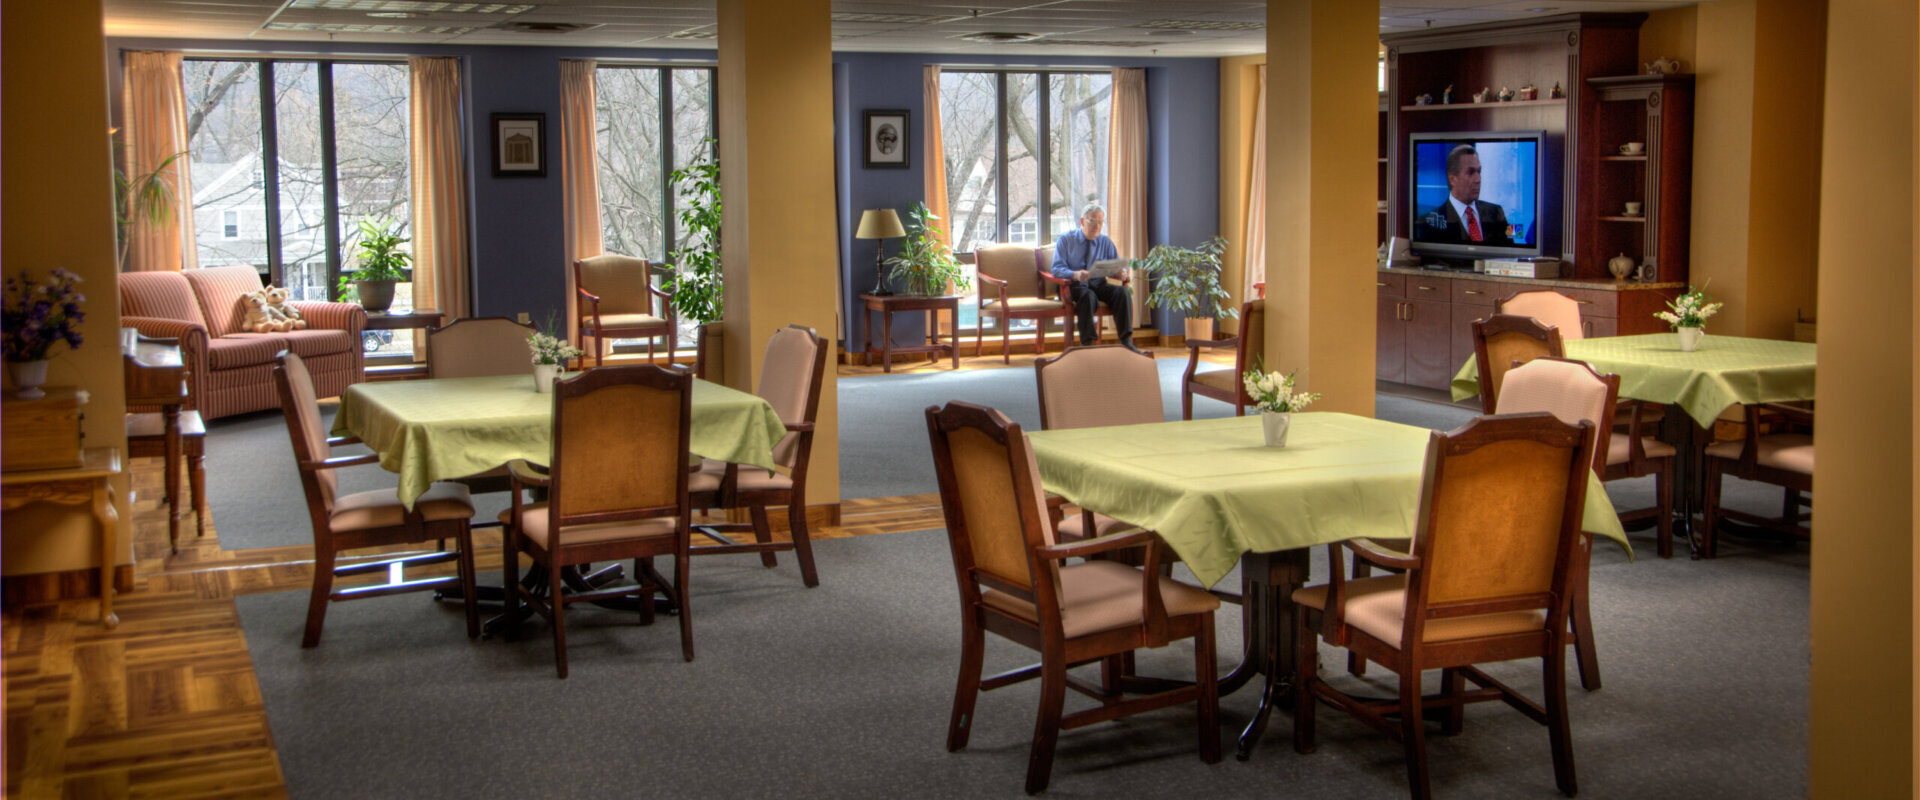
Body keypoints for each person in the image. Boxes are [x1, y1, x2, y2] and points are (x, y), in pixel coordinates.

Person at [1050, 204, 1138, 353]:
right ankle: (1088, 344)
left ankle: (1126, 341)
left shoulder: (1105, 241)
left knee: (1122, 293)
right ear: (1082, 221)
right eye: (1093, 222)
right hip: (1074, 285)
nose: (1097, 226)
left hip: (1098, 283)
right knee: (1087, 296)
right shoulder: (1065, 240)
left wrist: (1121, 273)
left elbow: (1115, 265)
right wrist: (1076, 274)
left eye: (1100, 222)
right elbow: (1057, 269)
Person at [1415, 144, 1514, 247]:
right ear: (1452, 179)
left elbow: (1511, 250)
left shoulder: (1496, 212)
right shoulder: (1427, 223)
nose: (1478, 179)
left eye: (1479, 171)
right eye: (1470, 172)